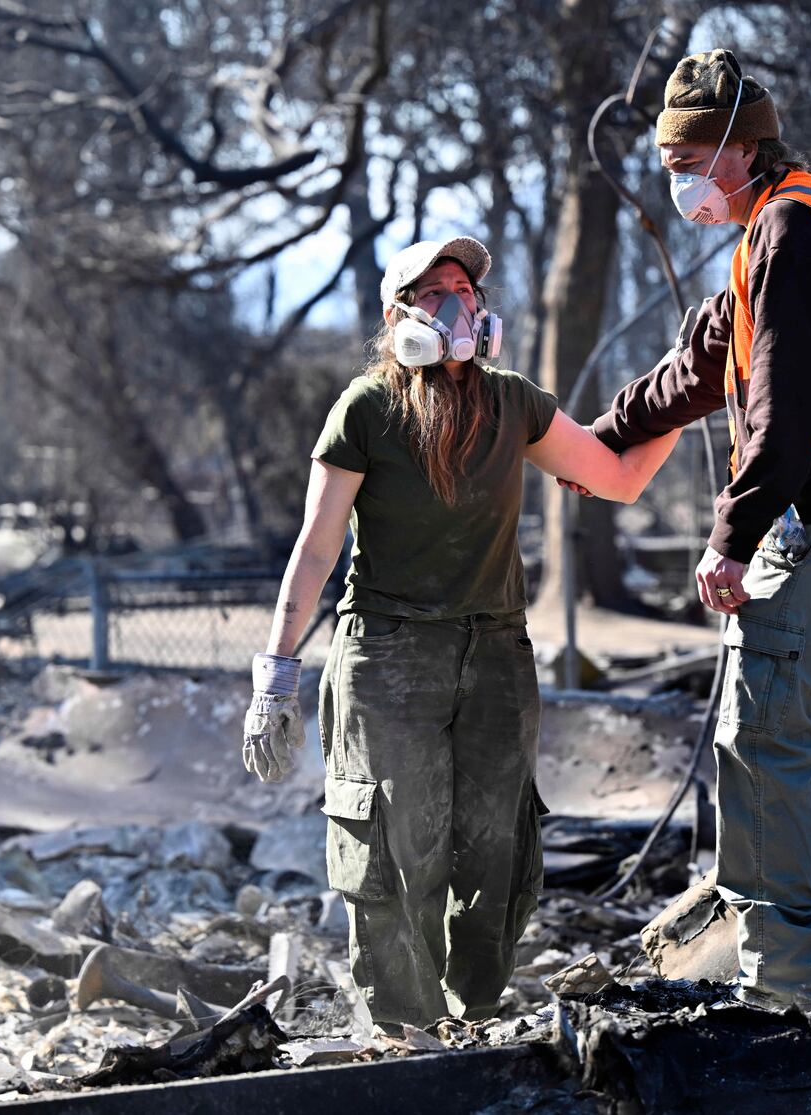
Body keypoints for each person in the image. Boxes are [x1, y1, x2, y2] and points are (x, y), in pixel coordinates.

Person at [573, 49, 811, 1011]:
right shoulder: (768, 238)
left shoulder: (793, 231)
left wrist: (730, 537)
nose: (678, 181)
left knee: (759, 732)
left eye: (687, 161)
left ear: (741, 149)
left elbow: (784, 411)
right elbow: (697, 374)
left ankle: (781, 987)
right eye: (669, 165)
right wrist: (580, 445)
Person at [241, 235, 680, 1031]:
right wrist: (275, 672)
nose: (459, 303)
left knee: (495, 850)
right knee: (394, 849)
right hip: (389, 654)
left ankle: (473, 1021)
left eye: (467, 290)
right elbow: (315, 547)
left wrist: (693, 395)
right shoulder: (367, 409)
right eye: (437, 290)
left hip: (495, 653)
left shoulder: (512, 401)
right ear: (400, 314)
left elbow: (615, 476)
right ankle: (400, 1033)